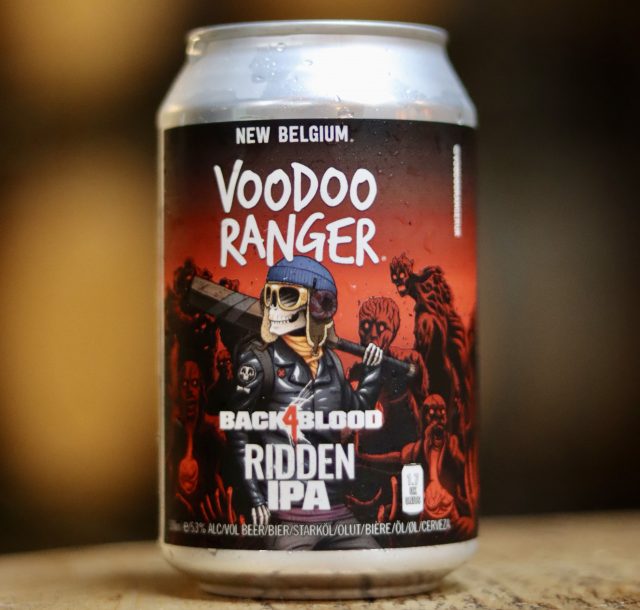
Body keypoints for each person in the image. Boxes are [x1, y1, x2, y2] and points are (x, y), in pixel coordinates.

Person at [227, 255, 384, 550]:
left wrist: (373, 371)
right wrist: (256, 497)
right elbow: (235, 427)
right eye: (269, 296)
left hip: (336, 511)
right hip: (286, 516)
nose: (273, 307)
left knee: (377, 560)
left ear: (319, 306)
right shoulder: (260, 361)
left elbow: (357, 411)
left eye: (286, 297)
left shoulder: (331, 363)